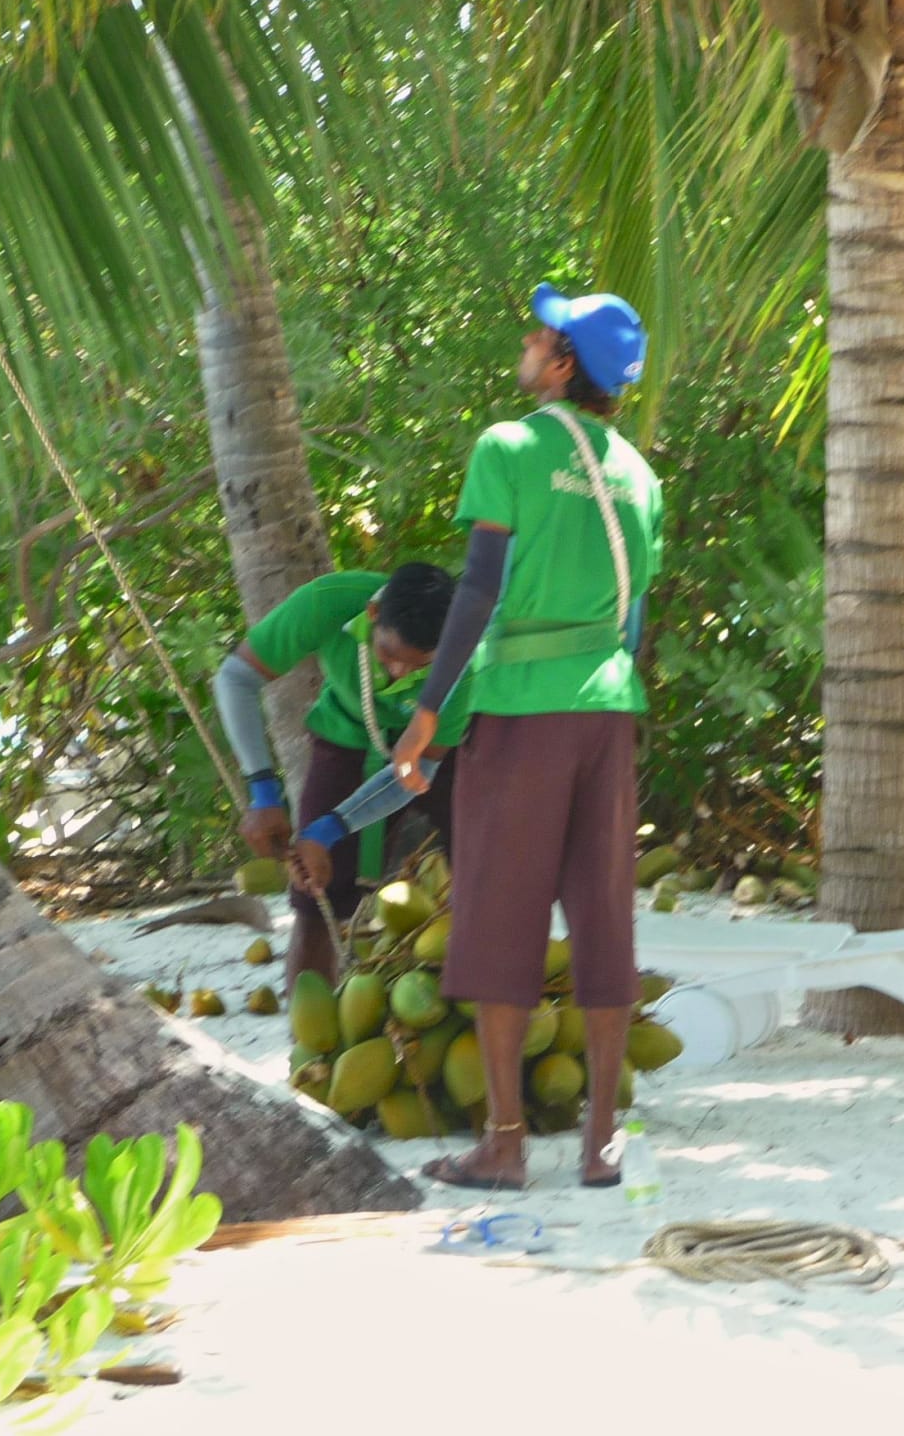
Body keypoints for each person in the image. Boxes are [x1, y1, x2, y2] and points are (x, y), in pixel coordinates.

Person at [390, 283, 663, 1192]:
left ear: (563, 362)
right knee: (603, 917)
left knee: (500, 920)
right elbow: (632, 613)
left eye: (542, 333)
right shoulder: (640, 475)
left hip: (521, 711)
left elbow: (478, 588)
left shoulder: (507, 446)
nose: (528, 338)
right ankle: (601, 1145)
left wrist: (430, 707)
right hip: (608, 710)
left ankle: (504, 1145)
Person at [211, 562, 470, 988]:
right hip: (346, 733)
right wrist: (263, 792)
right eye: (388, 655)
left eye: (418, 665)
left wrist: (329, 829)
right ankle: (308, 1023)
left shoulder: (465, 661)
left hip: (440, 753)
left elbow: (414, 773)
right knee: (316, 896)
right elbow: (236, 678)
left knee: (480, 872)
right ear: (373, 613)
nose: (398, 673)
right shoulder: (329, 601)